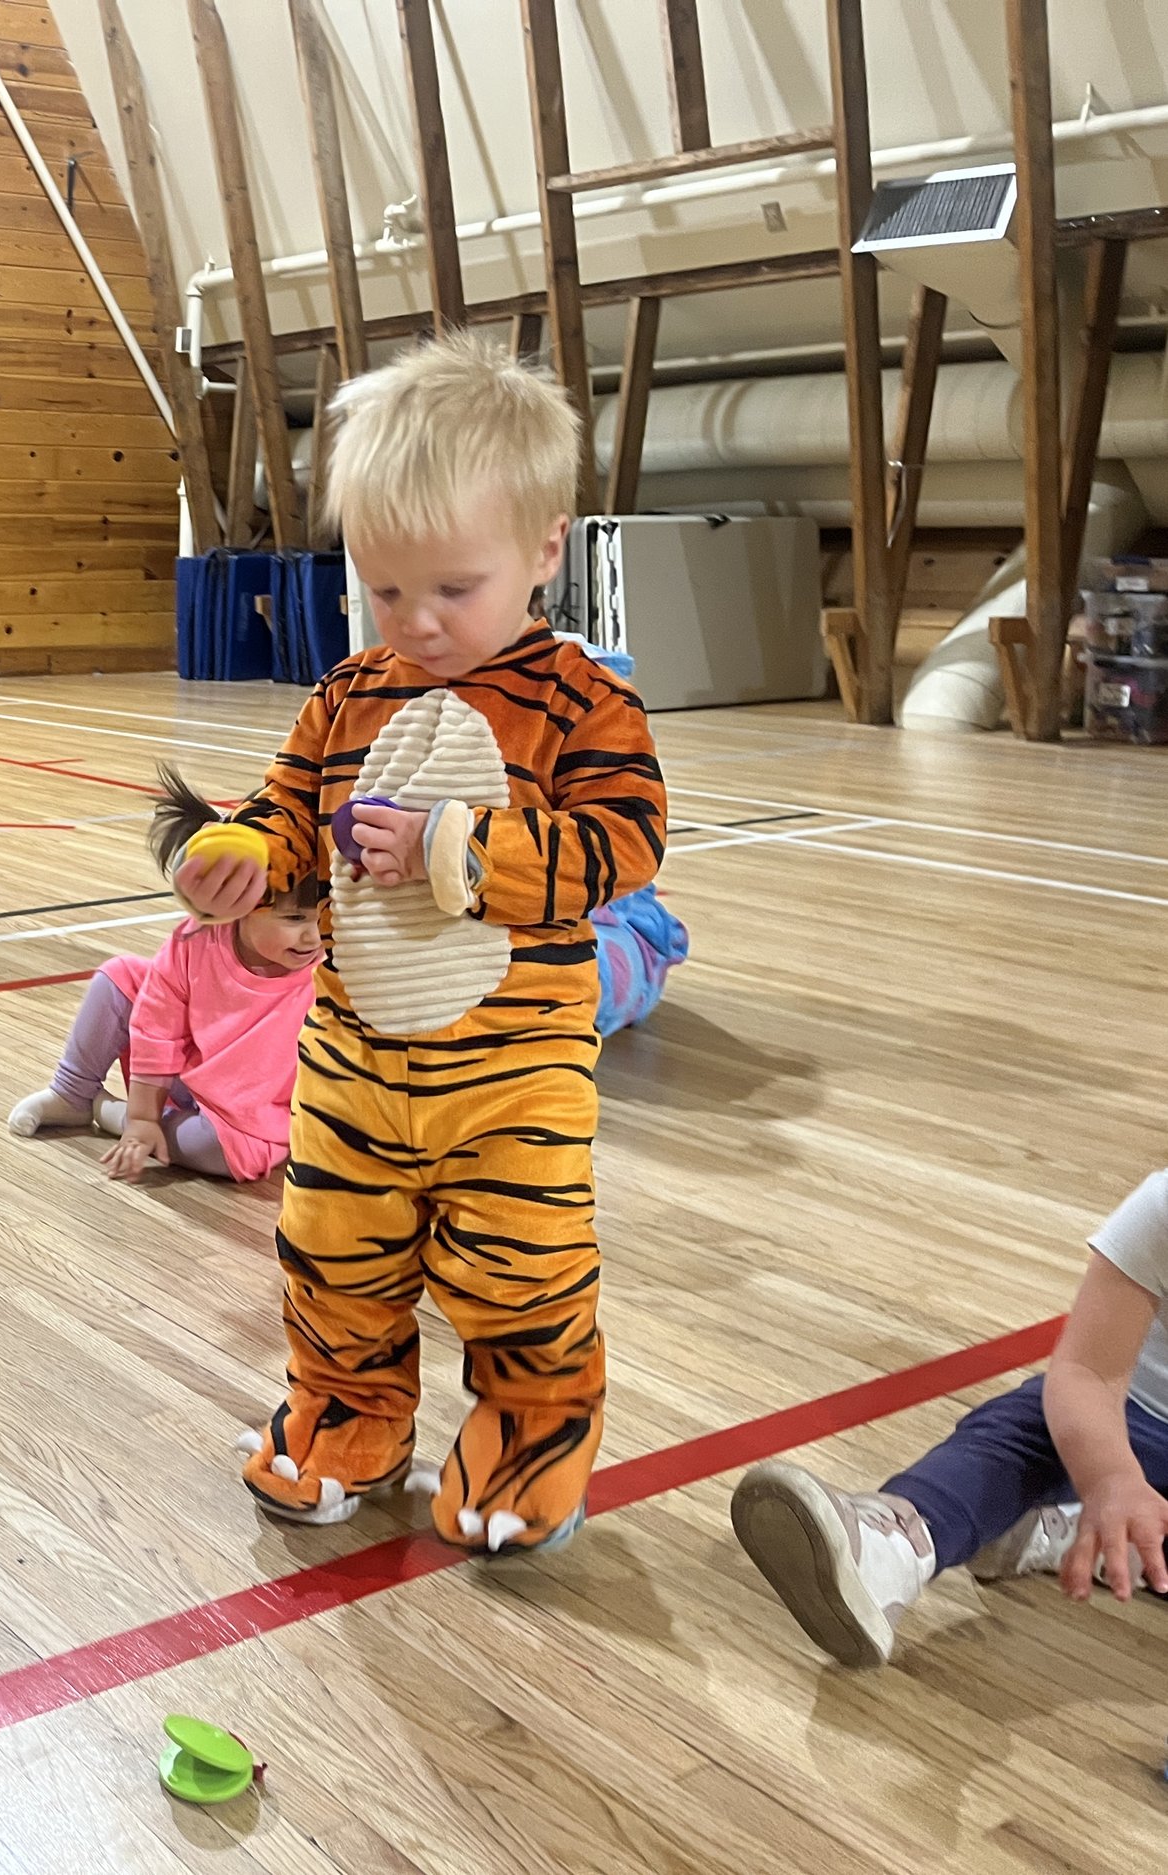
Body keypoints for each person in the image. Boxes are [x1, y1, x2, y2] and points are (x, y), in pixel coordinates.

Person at [183, 334, 668, 1549]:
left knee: (520, 1268)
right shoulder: (347, 695)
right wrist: (243, 854)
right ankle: (346, 1417)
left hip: (514, 1075)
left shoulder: (583, 702)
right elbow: (288, 808)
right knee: (330, 1253)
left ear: (545, 548)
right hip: (352, 1056)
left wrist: (460, 854)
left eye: (454, 588)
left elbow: (622, 844)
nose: (417, 622)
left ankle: (528, 1434)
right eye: (384, 589)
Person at [732, 1170, 1168, 1667]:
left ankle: (1063, 1534)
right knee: (1023, 1431)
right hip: (1135, 1411)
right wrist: (1110, 1477)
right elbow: (1087, 1372)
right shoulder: (1162, 1207)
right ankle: (892, 1549)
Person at [6, 767, 321, 1182]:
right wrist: (142, 1115)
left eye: (324, 916)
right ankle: (72, 1094)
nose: (313, 935)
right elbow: (157, 1025)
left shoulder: (330, 962)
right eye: (295, 917)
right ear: (240, 904)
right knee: (119, 976)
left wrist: (130, 1120)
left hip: (243, 1115)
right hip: (182, 1073)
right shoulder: (195, 940)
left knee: (225, 1153)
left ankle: (111, 1114)